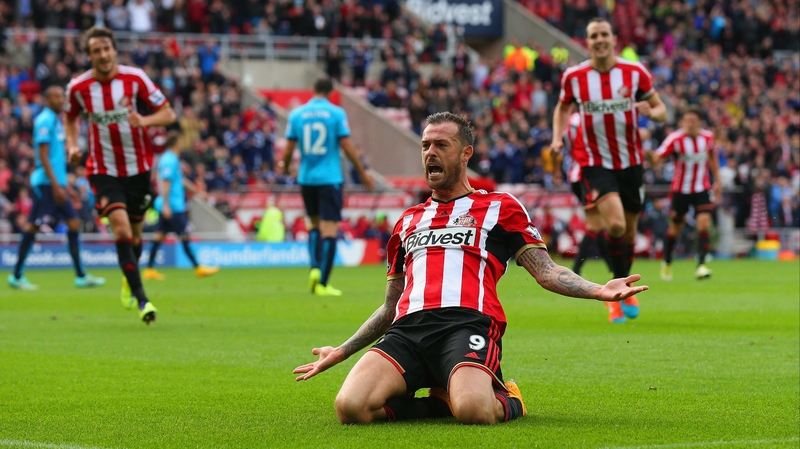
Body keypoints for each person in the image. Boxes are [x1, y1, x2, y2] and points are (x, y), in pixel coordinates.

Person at [293, 112, 648, 425]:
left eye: (441, 145)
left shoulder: (500, 207)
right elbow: (390, 306)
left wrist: (599, 290)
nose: (430, 152)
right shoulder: (406, 221)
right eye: (425, 145)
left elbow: (545, 270)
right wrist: (341, 350)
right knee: (350, 407)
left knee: (476, 411)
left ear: (465, 154)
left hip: (466, 325)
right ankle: (439, 404)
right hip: (407, 332)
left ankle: (508, 397)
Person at [550, 18, 666, 323]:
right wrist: (557, 138)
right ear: (587, 42)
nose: (599, 40)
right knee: (613, 225)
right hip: (594, 163)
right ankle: (614, 294)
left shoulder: (635, 72)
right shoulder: (575, 77)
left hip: (631, 163)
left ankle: (620, 286)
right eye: (593, 36)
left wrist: (650, 112)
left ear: (614, 39)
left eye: (604, 34)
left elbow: (661, 109)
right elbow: (562, 108)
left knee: (628, 233)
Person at [65, 26, 177, 325]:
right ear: (89, 55)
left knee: (136, 237)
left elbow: (169, 114)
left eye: (106, 48)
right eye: (95, 51)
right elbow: (70, 118)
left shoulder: (135, 78)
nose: (102, 55)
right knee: (122, 231)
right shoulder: (78, 87)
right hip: (103, 171)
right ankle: (143, 299)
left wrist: (145, 120)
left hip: (139, 171)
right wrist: (73, 145)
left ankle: (130, 279)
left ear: (114, 50)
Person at [282, 78, 374, 297]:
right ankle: (323, 282)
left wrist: (286, 168)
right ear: (331, 93)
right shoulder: (336, 113)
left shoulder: (296, 115)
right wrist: (361, 173)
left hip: (306, 179)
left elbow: (287, 150)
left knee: (313, 225)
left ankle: (314, 267)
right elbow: (347, 146)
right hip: (330, 178)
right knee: (330, 230)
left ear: (312, 90)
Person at [8, 86, 105, 290]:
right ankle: (16, 275)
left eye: (63, 97)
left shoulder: (57, 122)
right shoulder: (45, 120)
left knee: (73, 224)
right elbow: (42, 156)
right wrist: (56, 186)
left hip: (56, 185)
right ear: (47, 99)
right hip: (45, 184)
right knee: (33, 226)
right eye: (56, 96)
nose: (61, 100)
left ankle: (80, 275)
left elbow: (56, 160)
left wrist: (66, 188)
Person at [650, 107, 721, 281]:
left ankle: (702, 265)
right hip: (680, 190)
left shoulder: (708, 138)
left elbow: (712, 157)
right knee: (675, 228)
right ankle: (666, 263)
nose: (689, 124)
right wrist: (654, 158)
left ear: (699, 122)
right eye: (686, 121)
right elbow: (659, 155)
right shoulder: (675, 139)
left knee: (703, 224)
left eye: (693, 121)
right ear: (682, 122)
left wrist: (718, 180)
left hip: (701, 188)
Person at [143, 131, 219, 281]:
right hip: (173, 206)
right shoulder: (169, 160)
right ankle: (198, 267)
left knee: (159, 236)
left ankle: (149, 269)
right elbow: (165, 182)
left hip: (170, 205)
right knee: (184, 236)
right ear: (176, 143)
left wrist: (198, 192)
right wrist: (165, 205)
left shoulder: (172, 159)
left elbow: (180, 180)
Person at [565, 110, 614, 278]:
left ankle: (613, 268)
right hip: (586, 175)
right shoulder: (581, 119)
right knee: (594, 225)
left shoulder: (572, 119)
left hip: (580, 174)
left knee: (598, 225)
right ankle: (576, 269)